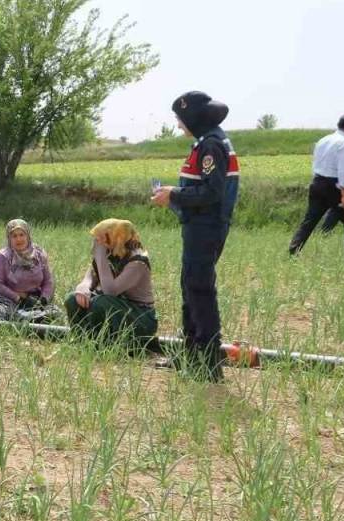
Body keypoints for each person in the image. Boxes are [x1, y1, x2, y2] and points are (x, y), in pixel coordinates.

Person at [150, 91, 240, 382]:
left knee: (200, 291)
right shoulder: (205, 142)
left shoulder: (211, 145)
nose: (178, 125)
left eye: (180, 119)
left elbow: (211, 193)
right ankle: (190, 355)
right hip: (198, 226)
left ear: (193, 118)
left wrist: (173, 194)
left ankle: (208, 364)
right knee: (190, 288)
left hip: (206, 227)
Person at [64, 219, 158, 349]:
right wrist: (83, 287)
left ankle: (107, 344)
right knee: (72, 299)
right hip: (116, 307)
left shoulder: (138, 261)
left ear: (118, 237)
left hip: (140, 316)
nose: (98, 242)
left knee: (101, 302)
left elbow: (110, 290)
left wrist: (100, 255)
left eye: (103, 237)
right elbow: (89, 277)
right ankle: (83, 341)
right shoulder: (110, 254)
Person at [289, 115, 344, 258]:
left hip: (317, 182)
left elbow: (315, 163)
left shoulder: (323, 140)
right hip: (334, 185)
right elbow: (343, 171)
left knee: (310, 220)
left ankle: (294, 249)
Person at [0, 219, 62, 324]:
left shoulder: (39, 254)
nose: (19, 239)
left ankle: (28, 318)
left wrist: (43, 299)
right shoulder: (3, 256)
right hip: (10, 298)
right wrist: (18, 297)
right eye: (14, 236)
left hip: (35, 298)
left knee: (55, 313)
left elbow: (48, 281)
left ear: (27, 235)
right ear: (9, 238)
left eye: (21, 235)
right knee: (2, 312)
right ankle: (23, 318)